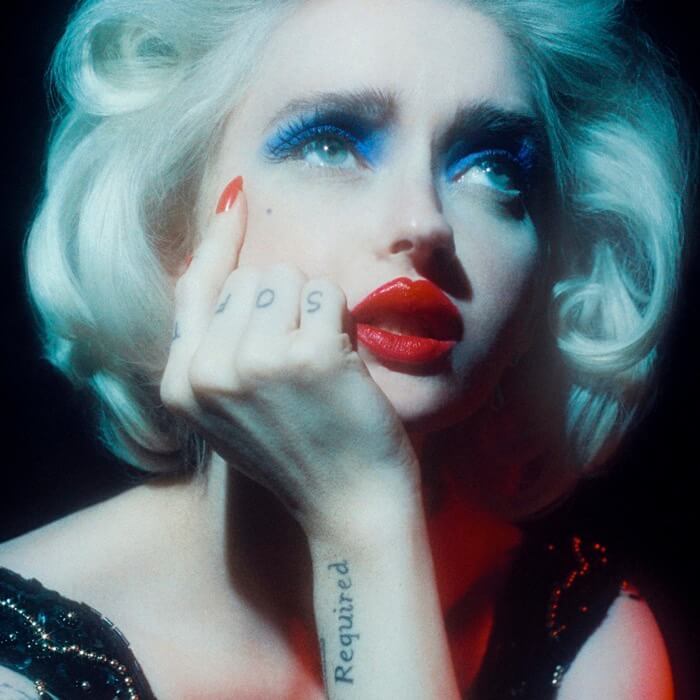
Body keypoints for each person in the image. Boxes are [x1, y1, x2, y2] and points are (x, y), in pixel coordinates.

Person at [0, 0, 695, 697]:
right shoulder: (20, 660)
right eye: (330, 144)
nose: (425, 223)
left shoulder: (586, 633)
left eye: (492, 167)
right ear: (172, 217)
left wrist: (364, 520)